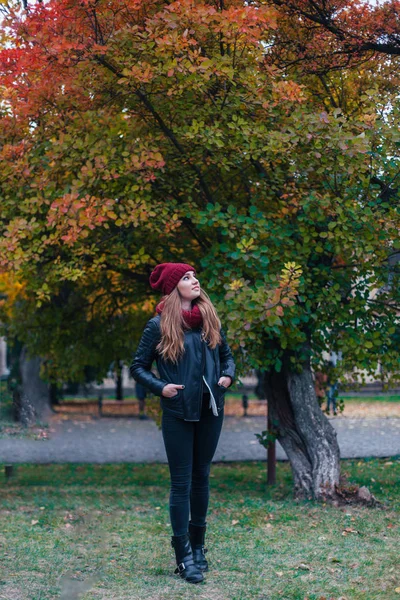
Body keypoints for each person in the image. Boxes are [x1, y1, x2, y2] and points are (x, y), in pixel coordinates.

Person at [130, 262, 235, 584]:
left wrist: (228, 375)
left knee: (201, 477)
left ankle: (199, 550)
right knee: (181, 483)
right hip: (177, 412)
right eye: (187, 278)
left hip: (210, 409)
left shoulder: (209, 321)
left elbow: (228, 357)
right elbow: (137, 366)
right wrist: (161, 387)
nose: (195, 280)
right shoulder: (158, 325)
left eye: (194, 276)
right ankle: (183, 556)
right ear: (174, 287)